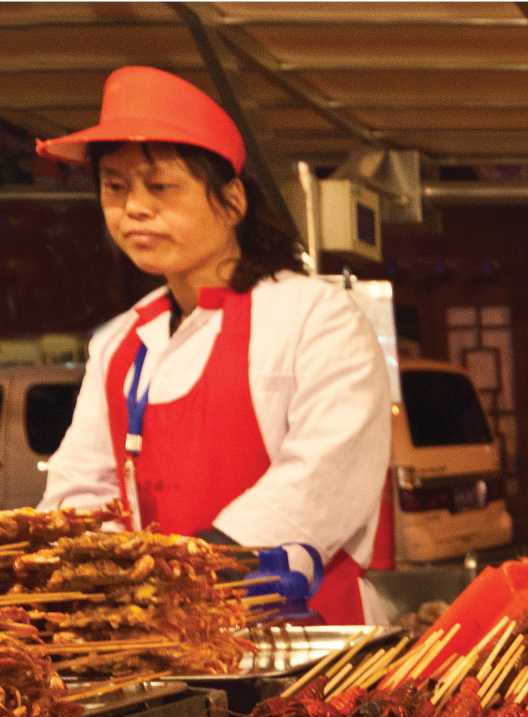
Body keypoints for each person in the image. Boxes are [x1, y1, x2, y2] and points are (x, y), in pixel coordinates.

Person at [35, 66, 391, 623]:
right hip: (158, 637)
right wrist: (98, 582)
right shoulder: (122, 342)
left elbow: (324, 478)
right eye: (115, 187)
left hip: (302, 634)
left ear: (231, 202)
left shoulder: (315, 317)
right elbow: (82, 487)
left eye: (161, 186)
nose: (134, 208)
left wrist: (190, 571)